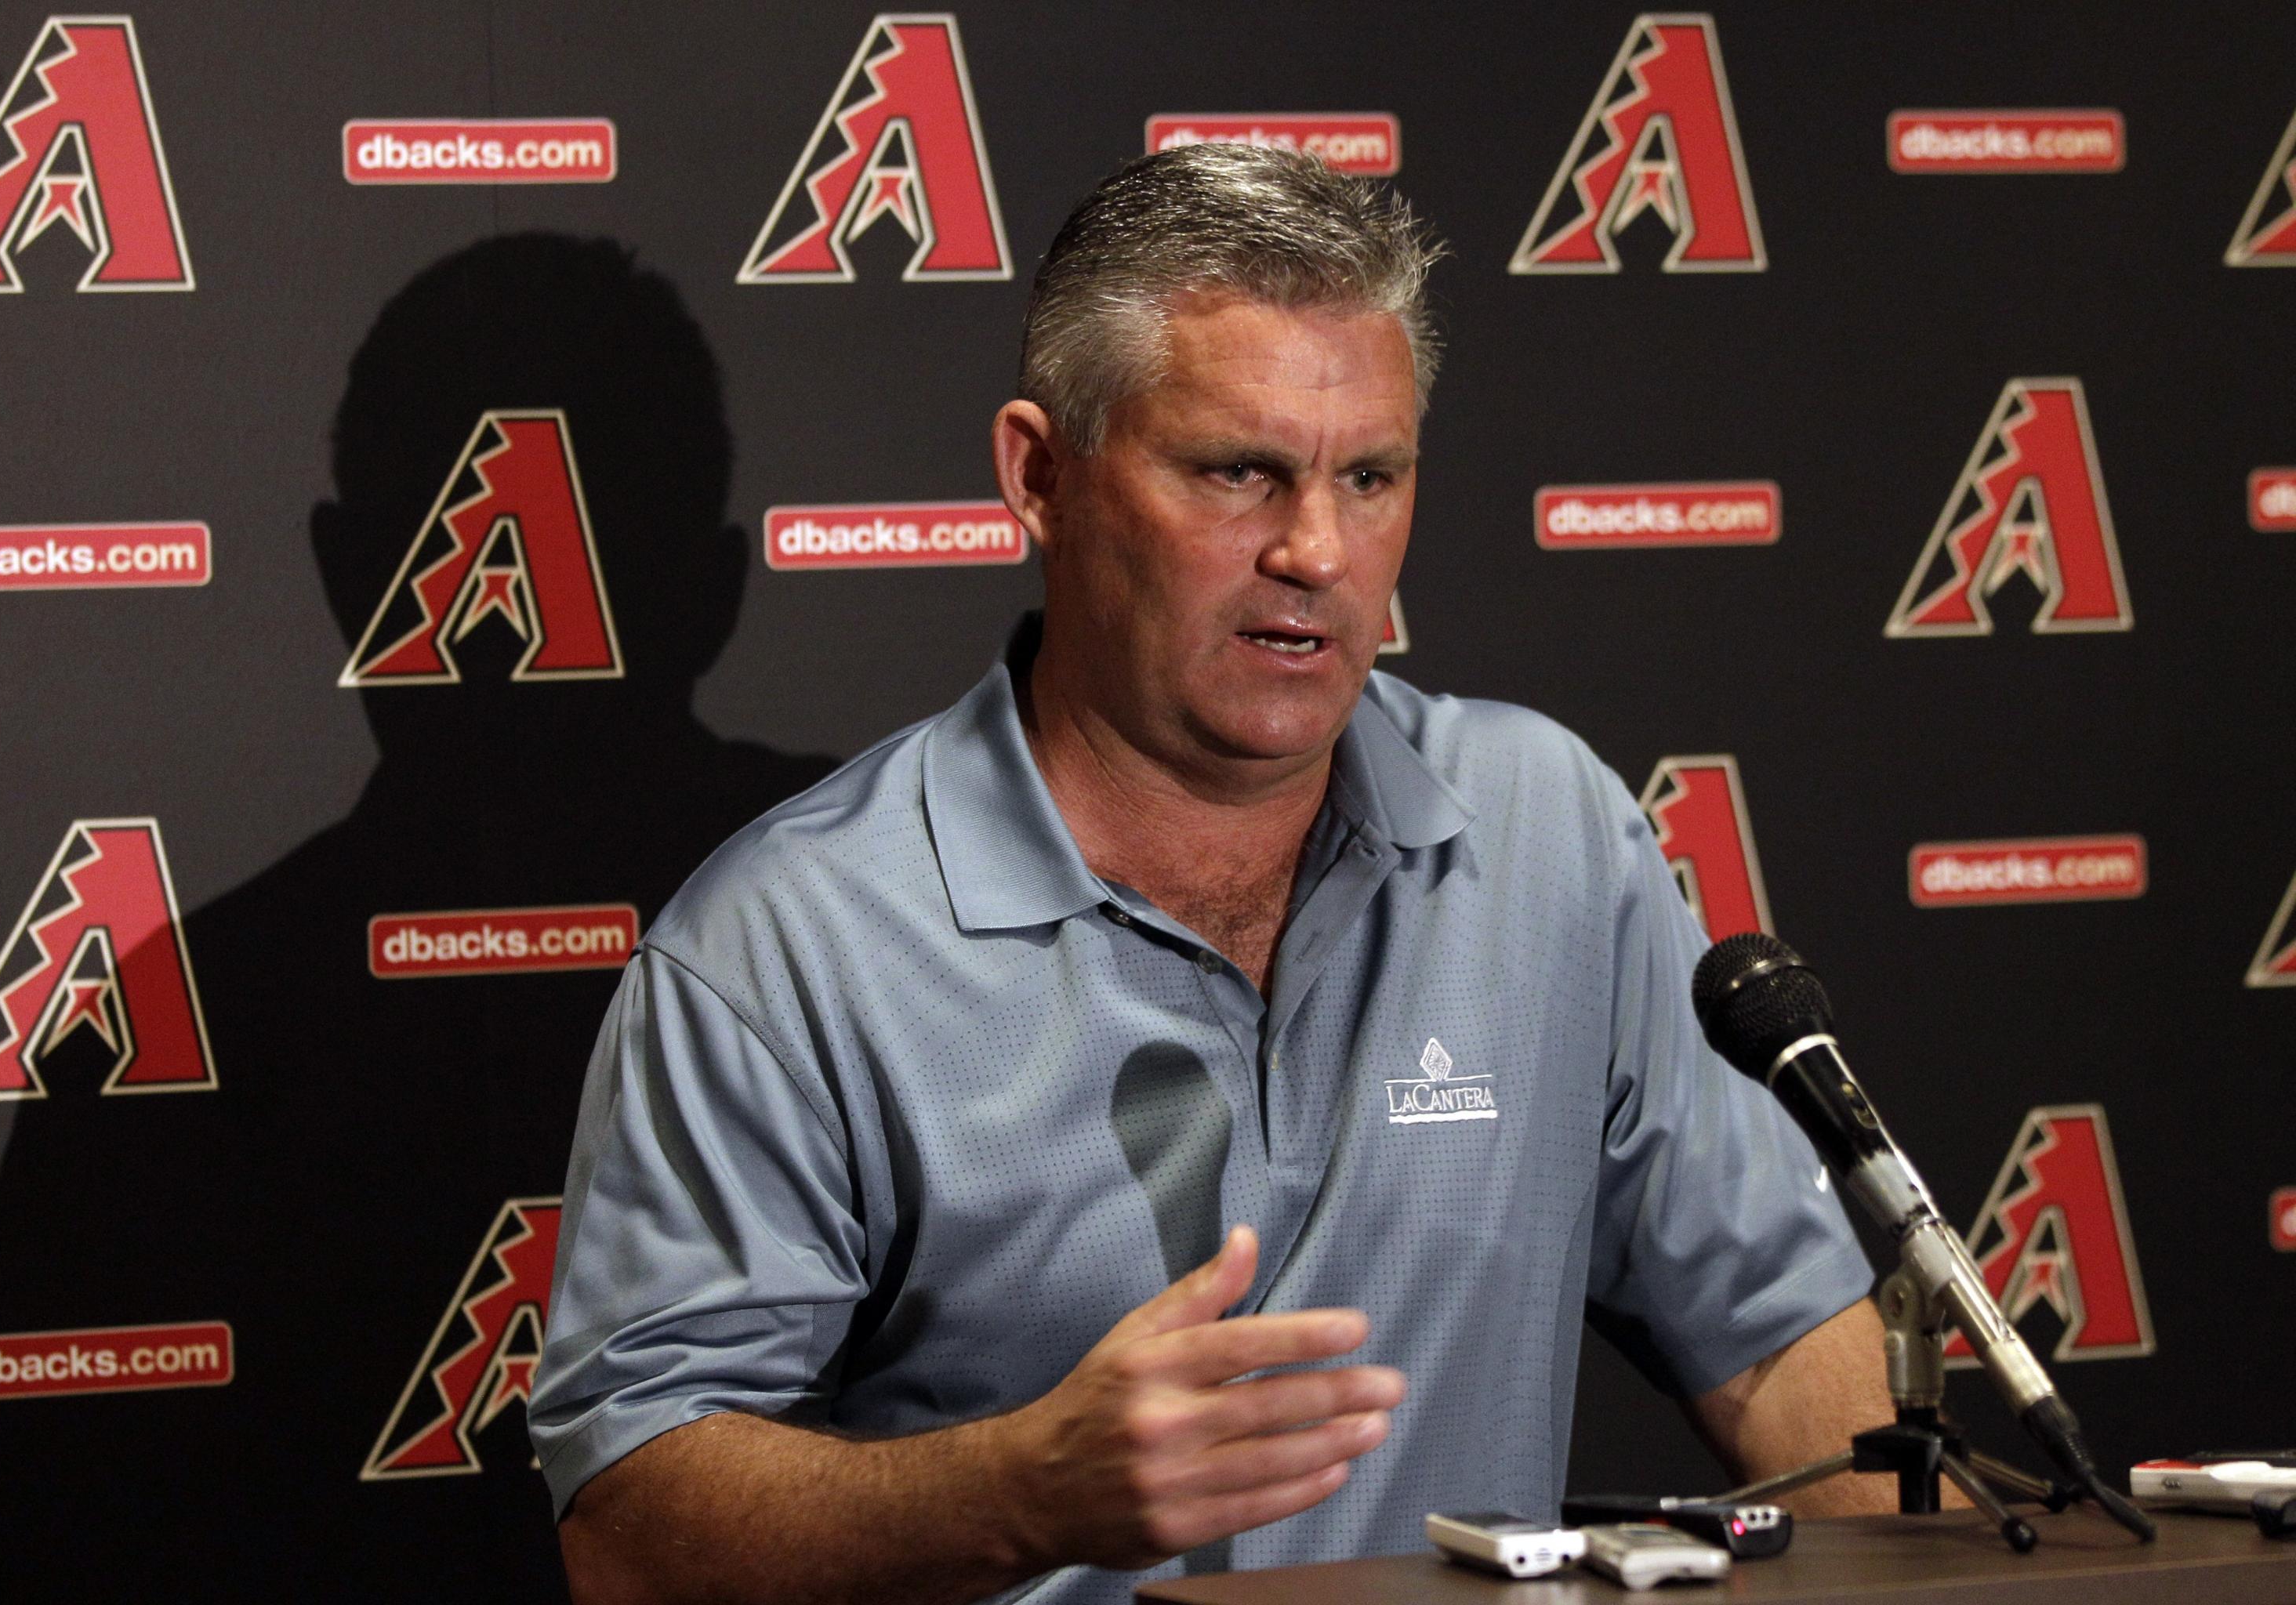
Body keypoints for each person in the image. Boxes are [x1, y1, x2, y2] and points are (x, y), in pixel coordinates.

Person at [528, 145, 1888, 1605]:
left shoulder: (1548, 831)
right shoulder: (790, 947)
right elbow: (630, 1528)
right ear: (1040, 476)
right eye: (1238, 473)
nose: (1316, 550)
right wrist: (1022, 1492)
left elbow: (1779, 1338)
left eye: (1370, 477)